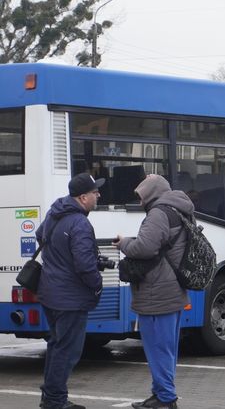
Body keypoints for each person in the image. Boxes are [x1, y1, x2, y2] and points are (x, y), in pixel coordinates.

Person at [113, 174, 194, 409]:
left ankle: (166, 398)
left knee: (157, 348)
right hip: (173, 287)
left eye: (141, 196)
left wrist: (124, 243)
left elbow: (145, 247)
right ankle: (160, 394)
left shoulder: (159, 213)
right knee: (166, 348)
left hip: (157, 290)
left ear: (152, 194)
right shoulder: (179, 208)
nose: (139, 202)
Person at [37, 173, 105, 409]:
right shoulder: (79, 223)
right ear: (83, 197)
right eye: (95, 192)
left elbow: (40, 236)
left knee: (57, 346)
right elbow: (85, 265)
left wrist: (58, 259)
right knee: (67, 350)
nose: (98, 195)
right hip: (70, 298)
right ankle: (55, 401)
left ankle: (51, 396)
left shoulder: (55, 213)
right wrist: (97, 284)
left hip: (49, 293)